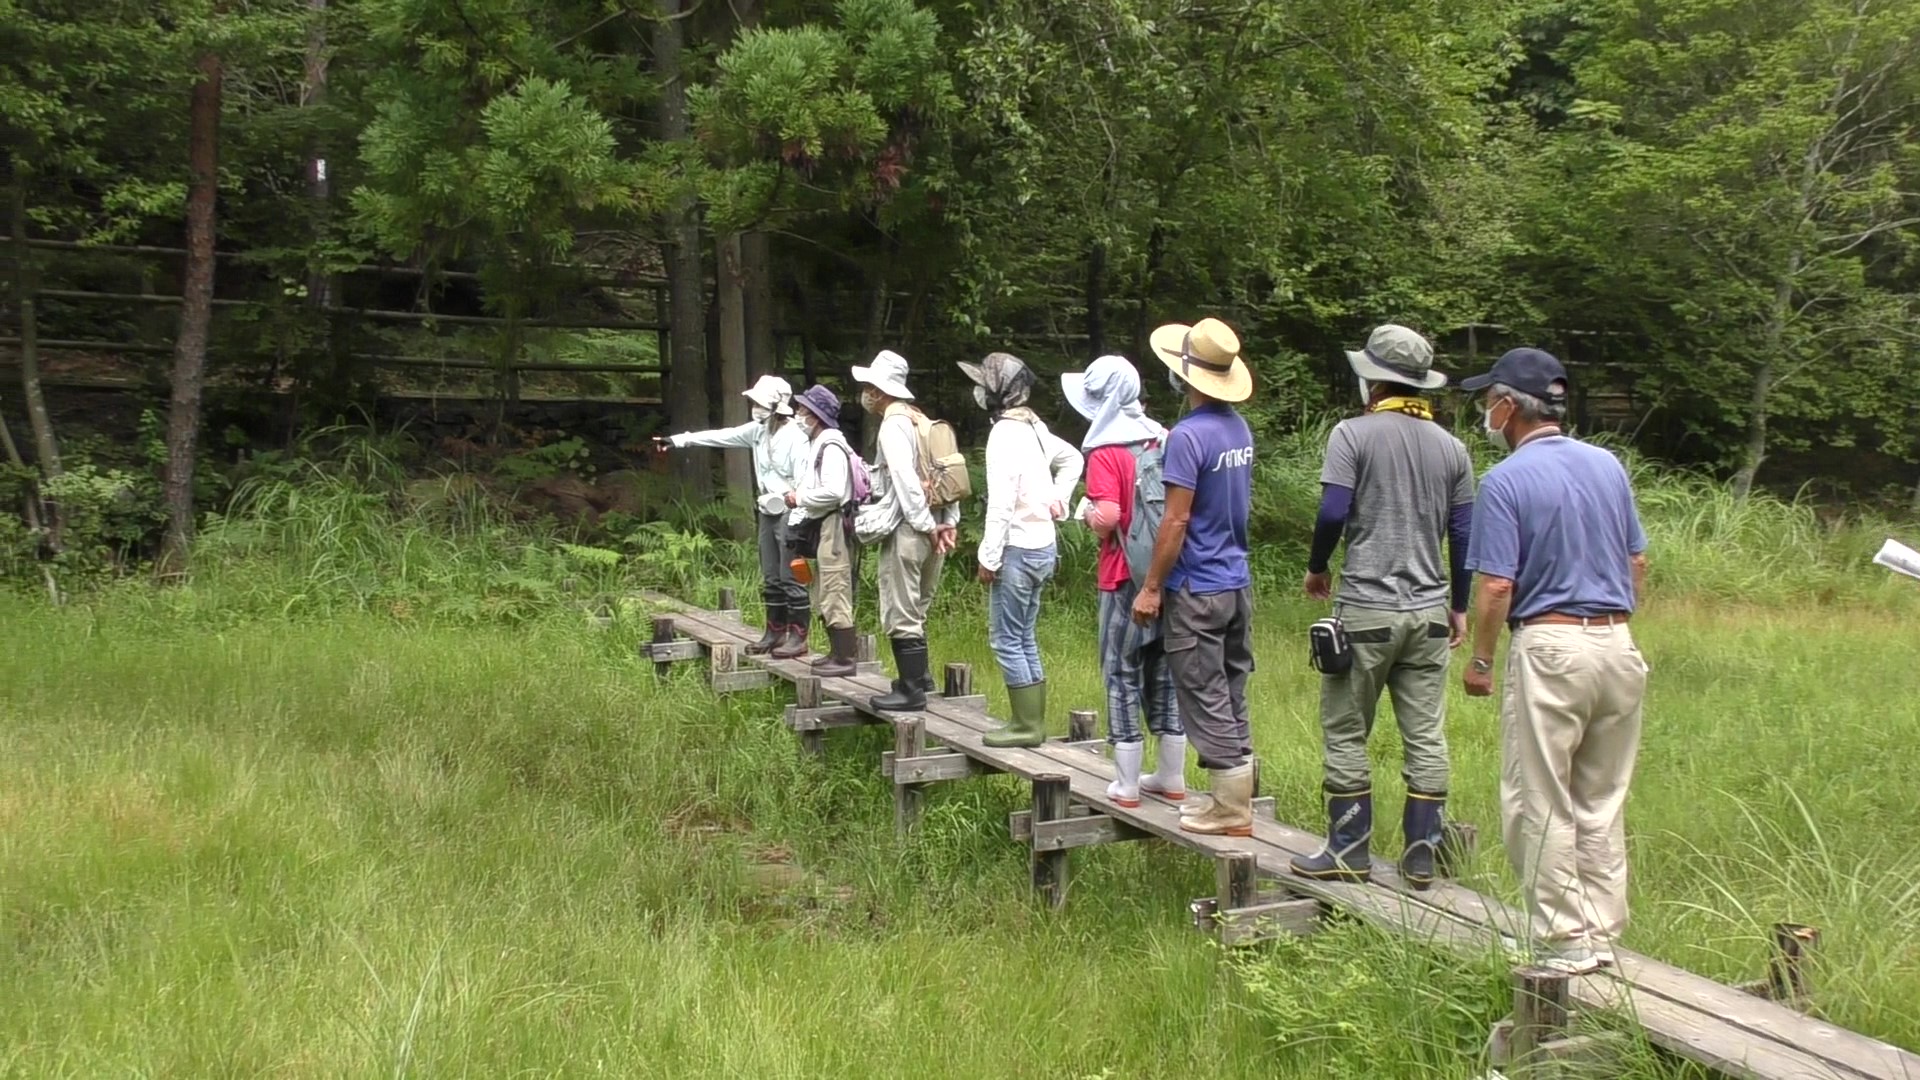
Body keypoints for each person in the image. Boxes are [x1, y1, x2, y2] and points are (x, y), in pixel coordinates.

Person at [1460, 347, 1650, 975]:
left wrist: (1482, 661)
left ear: (1510, 407)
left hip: (1550, 644)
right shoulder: (1608, 466)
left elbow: (1494, 586)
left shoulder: (1507, 480)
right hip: (1618, 644)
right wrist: (1615, 623)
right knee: (1601, 796)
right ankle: (1600, 931)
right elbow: (1637, 562)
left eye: (1490, 401)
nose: (1486, 411)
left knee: (1538, 796)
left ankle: (1563, 938)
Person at [1291, 325, 1476, 888]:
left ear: (1372, 380)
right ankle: (1421, 856)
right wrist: (1459, 607)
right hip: (1427, 612)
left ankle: (1349, 851)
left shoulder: (1352, 434)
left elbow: (1331, 513)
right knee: (1426, 734)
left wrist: (1319, 566)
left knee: (1347, 730)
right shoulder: (1453, 448)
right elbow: (1465, 534)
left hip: (1367, 608)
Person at [1132, 317, 1258, 837]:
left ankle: (1231, 810)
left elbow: (1177, 518)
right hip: (1236, 580)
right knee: (1231, 687)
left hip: (1198, 585)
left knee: (1201, 690)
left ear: (1184, 378)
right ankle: (1232, 795)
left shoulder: (1186, 436)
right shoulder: (1238, 429)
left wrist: (1152, 586)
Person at [1061, 354, 1187, 805]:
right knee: (1166, 670)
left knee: (1120, 670)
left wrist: (1088, 513)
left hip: (1122, 577)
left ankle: (1127, 783)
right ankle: (1172, 777)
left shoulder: (1104, 451)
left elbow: (1109, 515)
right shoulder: (1164, 437)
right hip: (1167, 571)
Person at [961, 352, 1083, 747]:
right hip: (1042, 546)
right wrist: (1057, 500)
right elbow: (1072, 459)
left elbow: (1000, 502)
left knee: (1006, 639)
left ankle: (1026, 726)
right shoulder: (1033, 426)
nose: (978, 391)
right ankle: (1031, 723)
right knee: (1024, 635)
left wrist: (987, 557)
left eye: (984, 385)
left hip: (1016, 549)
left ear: (998, 392)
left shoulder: (1004, 434)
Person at [657, 375, 809, 655]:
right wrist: (678, 441)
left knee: (791, 576)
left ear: (778, 406)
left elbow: (804, 484)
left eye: (762, 403)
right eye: (755, 402)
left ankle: (798, 637)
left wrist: (796, 516)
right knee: (770, 575)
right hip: (766, 510)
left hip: (792, 513)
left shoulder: (797, 438)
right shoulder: (758, 431)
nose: (756, 407)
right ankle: (774, 632)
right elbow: (721, 435)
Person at [851, 350, 960, 712]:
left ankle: (911, 690)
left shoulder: (893, 425)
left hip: (911, 528)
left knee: (902, 608)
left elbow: (906, 483)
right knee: (919, 605)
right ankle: (920, 677)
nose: (866, 392)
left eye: (869, 386)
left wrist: (927, 526)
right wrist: (948, 523)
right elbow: (950, 477)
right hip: (937, 525)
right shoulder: (922, 420)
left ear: (880, 391)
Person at [784, 384, 861, 673]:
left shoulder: (830, 446)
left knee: (835, 587)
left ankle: (845, 658)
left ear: (815, 416)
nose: (798, 415)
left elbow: (833, 491)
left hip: (834, 524)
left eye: (803, 410)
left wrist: (798, 498)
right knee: (826, 588)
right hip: (827, 524)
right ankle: (836, 653)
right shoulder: (825, 443)